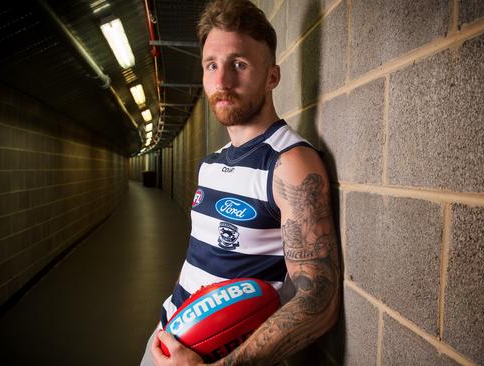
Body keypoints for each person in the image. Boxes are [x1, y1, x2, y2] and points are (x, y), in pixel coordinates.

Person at [140, 0, 340, 365]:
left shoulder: (289, 163)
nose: (222, 80)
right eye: (211, 65)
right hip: (168, 334)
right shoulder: (211, 164)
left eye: (239, 64)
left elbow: (319, 301)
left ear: (272, 76)